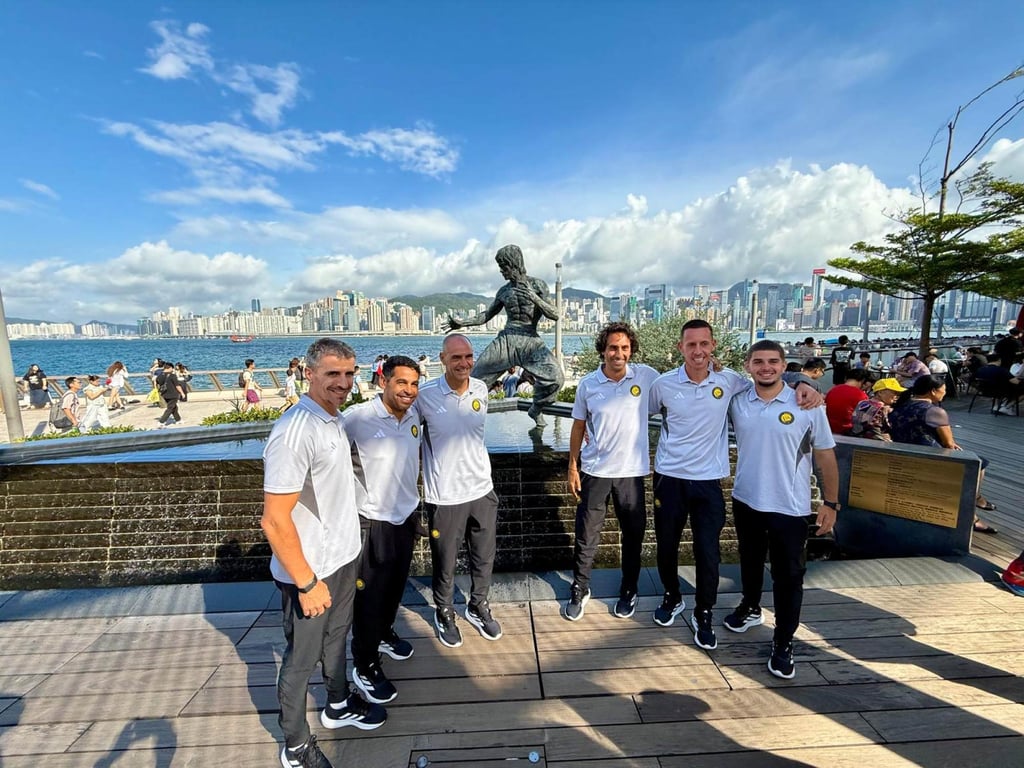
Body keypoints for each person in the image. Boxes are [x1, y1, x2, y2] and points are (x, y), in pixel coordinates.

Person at [648, 320, 822, 651]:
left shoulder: (730, 382)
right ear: (680, 348)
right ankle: (672, 596)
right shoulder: (663, 384)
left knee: (708, 552)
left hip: (709, 482)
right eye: (691, 345)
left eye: (704, 344)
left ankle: (704, 612)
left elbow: (767, 379)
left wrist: (803, 382)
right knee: (667, 545)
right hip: (668, 478)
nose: (698, 351)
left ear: (713, 345)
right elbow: (640, 412)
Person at [261, 338, 386, 768]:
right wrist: (307, 582)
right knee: (300, 659)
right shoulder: (295, 430)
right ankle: (295, 744)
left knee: (337, 638)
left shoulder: (333, 419)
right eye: (333, 374)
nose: (343, 383)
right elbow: (274, 519)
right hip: (310, 569)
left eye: (349, 374)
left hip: (341, 556)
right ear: (309, 373)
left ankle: (337, 702)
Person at [725, 340, 840, 680]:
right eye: (758, 361)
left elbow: (825, 455)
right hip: (745, 498)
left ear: (784, 365)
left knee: (789, 577)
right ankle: (749, 607)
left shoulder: (806, 404)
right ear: (748, 365)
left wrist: (830, 503)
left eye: (773, 361)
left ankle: (783, 641)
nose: (766, 367)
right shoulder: (738, 401)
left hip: (790, 506)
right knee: (749, 559)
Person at [565, 322, 659, 622]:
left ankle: (629, 590)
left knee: (633, 536)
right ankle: (580, 588)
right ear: (603, 350)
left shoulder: (646, 377)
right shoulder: (588, 384)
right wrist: (573, 466)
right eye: (613, 347)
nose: (619, 353)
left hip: (631, 473)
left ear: (631, 350)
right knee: (586, 535)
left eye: (624, 348)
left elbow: (679, 383)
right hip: (595, 471)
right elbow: (579, 426)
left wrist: (713, 365)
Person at [342, 355, 422, 706]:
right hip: (371, 519)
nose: (409, 390)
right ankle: (364, 662)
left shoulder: (414, 416)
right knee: (370, 597)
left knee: (393, 589)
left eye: (415, 383)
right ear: (383, 382)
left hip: (405, 515)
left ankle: (384, 632)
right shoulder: (357, 420)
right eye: (401, 382)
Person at [415, 334, 502, 647]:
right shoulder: (424, 396)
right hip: (445, 495)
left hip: (481, 490)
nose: (464, 363)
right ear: (442, 360)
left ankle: (478, 605)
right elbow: (407, 438)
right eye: (456, 358)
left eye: (468, 356)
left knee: (483, 556)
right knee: (446, 561)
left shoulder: (480, 389)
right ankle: (444, 610)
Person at [443, 244, 564, 425]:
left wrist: (534, 297)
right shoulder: (504, 291)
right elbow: (486, 315)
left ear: (514, 264)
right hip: (506, 340)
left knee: (556, 379)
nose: (501, 271)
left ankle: (536, 409)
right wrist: (462, 323)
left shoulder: (537, 285)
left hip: (530, 341)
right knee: (475, 378)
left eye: (503, 266)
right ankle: (463, 418)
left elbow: (554, 314)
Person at [889, 375, 998, 534]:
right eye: (944, 389)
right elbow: (949, 444)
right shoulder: (934, 411)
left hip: (902, 457)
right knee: (979, 464)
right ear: (933, 391)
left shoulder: (900, 406)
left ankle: (977, 501)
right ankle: (973, 508)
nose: (945, 393)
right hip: (928, 460)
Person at [824, 368, 869, 434]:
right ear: (863, 381)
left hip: (828, 428)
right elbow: (864, 419)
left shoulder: (833, 390)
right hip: (847, 431)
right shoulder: (861, 395)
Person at [156, 361, 184, 428]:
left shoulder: (159, 376)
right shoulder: (172, 376)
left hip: (164, 394)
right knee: (170, 408)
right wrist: (182, 393)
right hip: (173, 394)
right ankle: (161, 422)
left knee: (174, 407)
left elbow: (157, 383)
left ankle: (178, 420)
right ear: (170, 368)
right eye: (172, 368)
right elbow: (177, 386)